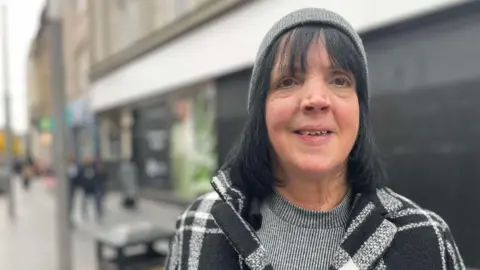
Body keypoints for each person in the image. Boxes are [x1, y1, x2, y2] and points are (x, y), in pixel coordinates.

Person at [166, 8, 465, 270]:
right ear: (261, 111)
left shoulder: (426, 237)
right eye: (288, 81)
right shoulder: (199, 227)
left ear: (359, 109)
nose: (316, 99)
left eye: (339, 80)